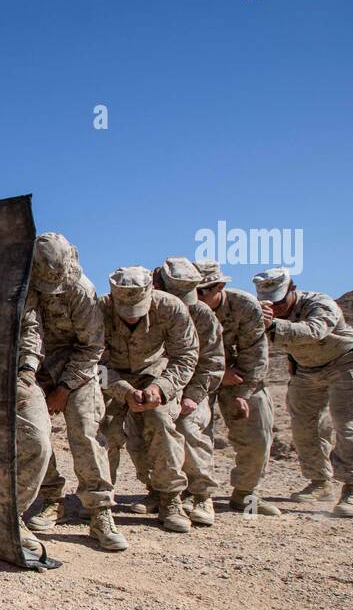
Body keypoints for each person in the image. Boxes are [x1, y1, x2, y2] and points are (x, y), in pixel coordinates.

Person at [23, 233, 127, 552]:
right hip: (38, 365)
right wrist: (28, 371)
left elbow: (91, 346)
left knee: (85, 431)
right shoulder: (27, 284)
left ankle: (99, 513)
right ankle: (52, 499)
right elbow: (31, 330)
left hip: (77, 366)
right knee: (34, 431)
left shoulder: (83, 290)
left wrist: (65, 389)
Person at [254, 267, 353, 517]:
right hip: (306, 371)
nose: (275, 307)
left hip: (347, 364)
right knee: (304, 427)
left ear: (293, 290)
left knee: (349, 423)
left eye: (279, 301)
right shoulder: (263, 312)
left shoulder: (321, 303)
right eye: (270, 303)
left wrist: (272, 324)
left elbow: (313, 331)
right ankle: (319, 482)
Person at [99, 266, 199, 533]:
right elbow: (94, 360)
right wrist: (123, 391)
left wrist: (162, 388)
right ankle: (100, 503)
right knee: (103, 429)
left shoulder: (171, 308)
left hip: (155, 374)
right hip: (113, 378)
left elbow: (186, 355)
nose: (131, 318)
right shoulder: (98, 310)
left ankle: (170, 499)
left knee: (161, 423)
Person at [140, 258, 225, 527]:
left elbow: (212, 361)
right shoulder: (145, 308)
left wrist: (194, 395)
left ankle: (200, 495)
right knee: (146, 426)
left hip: (190, 387)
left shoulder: (201, 314)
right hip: (154, 384)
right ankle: (161, 491)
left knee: (188, 426)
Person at [194, 259, 280, 516]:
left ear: (219, 286)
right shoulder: (184, 306)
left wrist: (244, 394)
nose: (196, 296)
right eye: (192, 290)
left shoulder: (245, 306)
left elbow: (256, 353)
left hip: (241, 377)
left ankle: (245, 493)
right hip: (201, 375)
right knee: (193, 430)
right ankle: (197, 494)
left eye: (202, 291)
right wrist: (220, 373)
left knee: (257, 427)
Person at [15, 296, 53, 552]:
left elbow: (31, 330)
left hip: (17, 376)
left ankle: (11, 515)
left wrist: (26, 374)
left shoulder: (15, 284)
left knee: (37, 442)